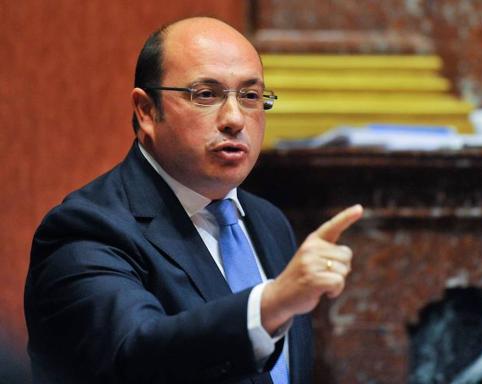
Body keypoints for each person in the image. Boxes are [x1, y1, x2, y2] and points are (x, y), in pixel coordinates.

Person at [24, 17, 363, 384]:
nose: (234, 119)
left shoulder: (268, 221)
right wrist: (271, 304)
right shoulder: (86, 229)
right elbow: (133, 355)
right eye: (206, 94)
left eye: (250, 96)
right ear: (147, 111)